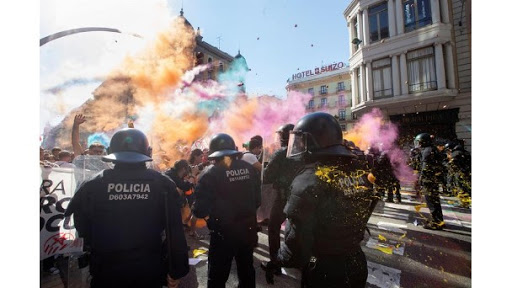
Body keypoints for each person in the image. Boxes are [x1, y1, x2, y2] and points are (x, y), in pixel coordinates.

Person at [264, 112, 378, 287]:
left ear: (313, 141)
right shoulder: (359, 172)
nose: (298, 145)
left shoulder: (308, 181)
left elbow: (297, 246)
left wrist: (277, 260)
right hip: (356, 261)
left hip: (325, 270)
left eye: (301, 140)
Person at [65, 128, 189, 287]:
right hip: (148, 269)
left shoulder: (92, 185)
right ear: (149, 152)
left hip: (106, 270)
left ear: (110, 152)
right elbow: (174, 231)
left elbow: (82, 228)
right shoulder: (163, 184)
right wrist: (176, 269)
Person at [192, 133, 261, 288]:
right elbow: (257, 200)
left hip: (223, 233)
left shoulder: (209, 174)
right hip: (248, 229)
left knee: (217, 276)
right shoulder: (249, 169)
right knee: (246, 271)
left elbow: (199, 210)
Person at [260, 123, 303, 277]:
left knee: (273, 227)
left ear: (285, 136)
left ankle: (275, 263)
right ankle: (298, 261)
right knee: (298, 228)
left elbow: (267, 177)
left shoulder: (281, 154)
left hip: (284, 197)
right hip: (303, 198)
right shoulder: (305, 152)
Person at [414, 133, 445, 230]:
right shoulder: (433, 149)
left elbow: (425, 168)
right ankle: (439, 220)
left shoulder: (427, 151)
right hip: (433, 180)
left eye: (419, 142)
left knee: (431, 201)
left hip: (429, 181)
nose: (418, 144)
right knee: (435, 201)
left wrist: (421, 180)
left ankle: (436, 223)